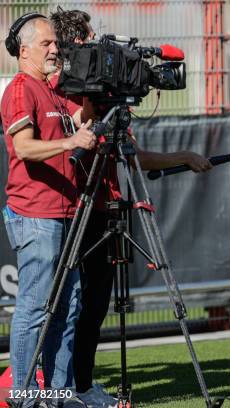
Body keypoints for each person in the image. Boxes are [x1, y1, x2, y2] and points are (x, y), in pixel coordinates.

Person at [49, 8, 212, 408]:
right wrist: (92, 99)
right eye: (91, 41)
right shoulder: (58, 87)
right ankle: (58, 386)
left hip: (105, 203)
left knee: (97, 302)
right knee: (69, 304)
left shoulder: (100, 91)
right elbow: (80, 127)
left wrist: (182, 156)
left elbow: (130, 151)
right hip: (74, 207)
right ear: (76, 45)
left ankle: (82, 384)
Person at [1, 13, 97, 407]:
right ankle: (24, 397)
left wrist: (96, 90)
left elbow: (83, 119)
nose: (55, 48)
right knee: (35, 309)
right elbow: (23, 148)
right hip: (36, 215)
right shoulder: (21, 89)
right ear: (24, 51)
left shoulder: (52, 92)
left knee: (67, 309)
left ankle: (59, 394)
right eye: (47, 44)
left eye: (55, 43)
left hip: (62, 214)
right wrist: (71, 142)